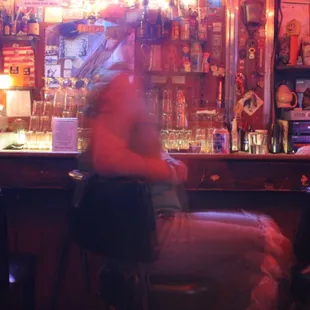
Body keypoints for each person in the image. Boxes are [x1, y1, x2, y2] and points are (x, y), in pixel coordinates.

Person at [82, 71, 292, 310]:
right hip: (153, 234)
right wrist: (165, 170)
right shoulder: (117, 99)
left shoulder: (130, 103)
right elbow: (107, 160)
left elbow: (153, 158)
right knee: (268, 234)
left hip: (165, 223)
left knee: (257, 265)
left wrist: (169, 164)